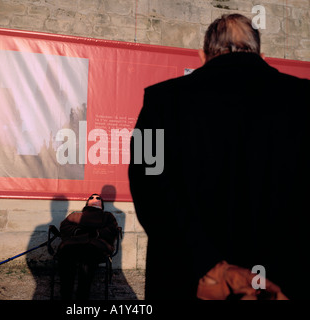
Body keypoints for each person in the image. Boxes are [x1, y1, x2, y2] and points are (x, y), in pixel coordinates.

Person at [129, 14, 310, 300]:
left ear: (202, 55)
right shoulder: (304, 99)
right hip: (282, 282)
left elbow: (146, 186)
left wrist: (209, 266)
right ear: (262, 56)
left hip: (190, 281)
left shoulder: (159, 101)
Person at [57, 193, 119, 300]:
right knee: (65, 253)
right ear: (87, 202)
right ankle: (66, 293)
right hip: (74, 244)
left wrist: (97, 233)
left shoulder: (107, 216)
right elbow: (64, 226)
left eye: (98, 198)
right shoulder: (76, 215)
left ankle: (82, 294)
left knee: (88, 256)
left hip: (95, 245)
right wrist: (77, 231)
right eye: (91, 197)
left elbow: (113, 229)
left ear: (102, 204)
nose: (94, 199)